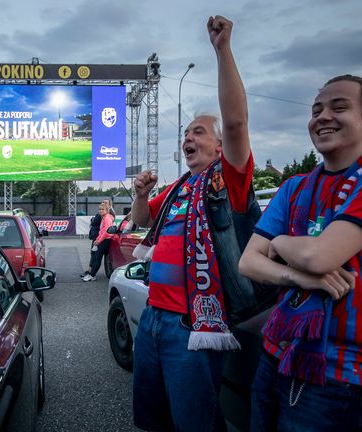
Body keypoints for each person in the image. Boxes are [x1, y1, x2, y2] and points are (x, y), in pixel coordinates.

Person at [238, 75, 362, 431]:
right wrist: (294, 274)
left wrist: (277, 244)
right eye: (316, 110)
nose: (322, 116)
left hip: (339, 373)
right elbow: (247, 262)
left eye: (339, 107)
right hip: (276, 353)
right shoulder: (294, 186)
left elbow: (320, 257)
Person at [130, 16, 254, 431]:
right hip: (153, 318)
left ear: (220, 147)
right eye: (185, 133)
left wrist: (222, 50)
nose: (188, 138)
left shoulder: (227, 179)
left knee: (195, 423)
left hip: (194, 327)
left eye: (198, 132)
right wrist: (140, 195)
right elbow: (140, 221)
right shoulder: (183, 186)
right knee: (154, 418)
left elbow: (236, 122)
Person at [82, 198, 116, 278]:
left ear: (109, 206)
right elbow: (101, 228)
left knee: (98, 256)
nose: (100, 210)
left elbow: (106, 231)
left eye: (105, 203)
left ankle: (92, 274)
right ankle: (91, 272)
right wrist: (98, 239)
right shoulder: (104, 216)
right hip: (99, 237)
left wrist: (99, 240)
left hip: (103, 239)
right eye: (100, 209)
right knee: (95, 255)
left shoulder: (108, 217)